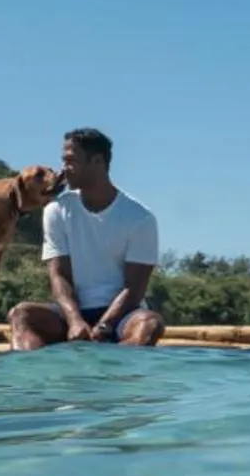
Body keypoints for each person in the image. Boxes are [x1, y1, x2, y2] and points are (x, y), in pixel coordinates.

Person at [9, 128, 165, 350]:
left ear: (98, 161)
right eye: (63, 160)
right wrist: (74, 320)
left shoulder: (140, 218)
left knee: (150, 324)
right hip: (72, 311)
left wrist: (104, 326)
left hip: (122, 315)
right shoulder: (56, 210)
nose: (64, 168)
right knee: (21, 314)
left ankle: (115, 375)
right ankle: (35, 378)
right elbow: (59, 274)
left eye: (71, 161)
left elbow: (135, 288)